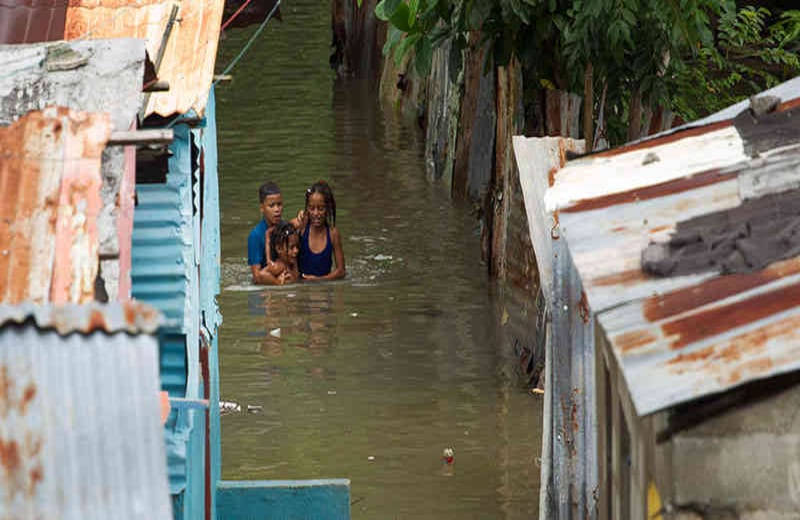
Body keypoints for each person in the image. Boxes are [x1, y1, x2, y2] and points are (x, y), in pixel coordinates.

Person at [298, 180, 346, 281]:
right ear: (307, 209)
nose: (316, 213)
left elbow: (341, 271)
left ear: (327, 209)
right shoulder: (302, 225)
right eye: (312, 208)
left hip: (324, 288)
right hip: (301, 287)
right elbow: (280, 233)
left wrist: (319, 279)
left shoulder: (333, 234)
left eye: (321, 208)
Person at [248, 181, 289, 285]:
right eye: (271, 206)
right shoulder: (255, 236)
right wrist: (278, 283)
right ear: (262, 208)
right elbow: (257, 276)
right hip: (267, 279)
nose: (277, 210)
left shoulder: (286, 228)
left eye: (279, 204)